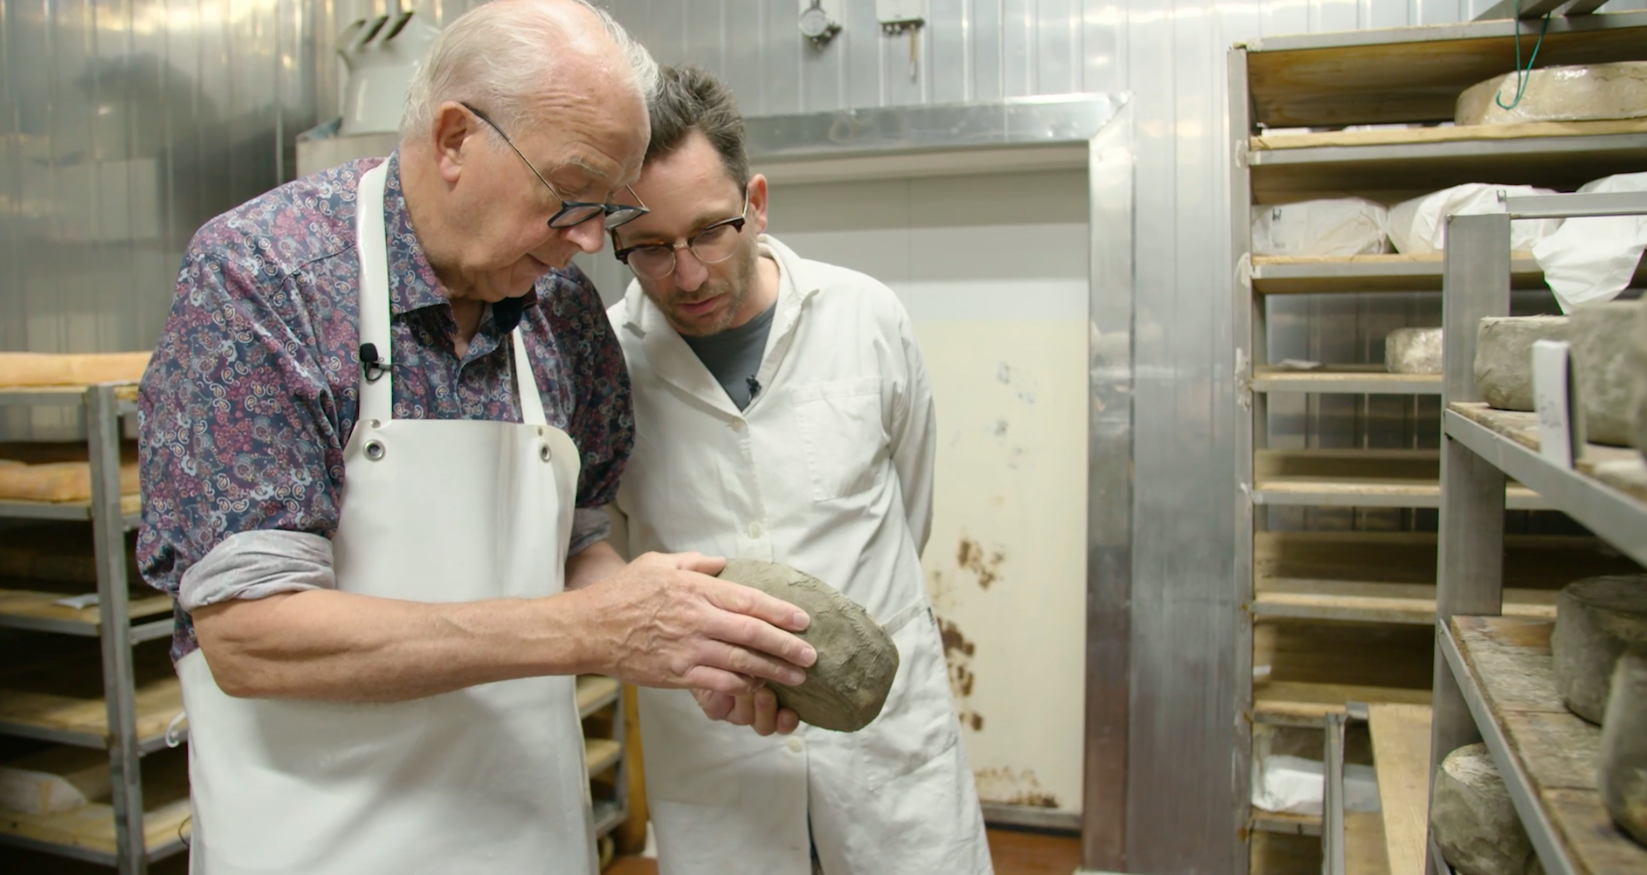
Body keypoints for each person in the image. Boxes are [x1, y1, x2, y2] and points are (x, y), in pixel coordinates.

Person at [136, 6, 816, 874]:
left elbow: (574, 546)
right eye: (568, 195)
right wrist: (585, 630)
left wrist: (684, 643)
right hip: (315, 841)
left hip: (526, 831)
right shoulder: (264, 280)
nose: (582, 242)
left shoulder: (559, 313)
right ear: (454, 139)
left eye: (604, 211)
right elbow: (253, 635)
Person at [606, 65, 994, 875]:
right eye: (648, 248)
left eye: (710, 231)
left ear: (756, 202)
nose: (686, 274)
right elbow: (611, 564)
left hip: (887, 750)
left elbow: (909, 505)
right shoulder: (607, 363)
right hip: (719, 746)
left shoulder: (864, 316)